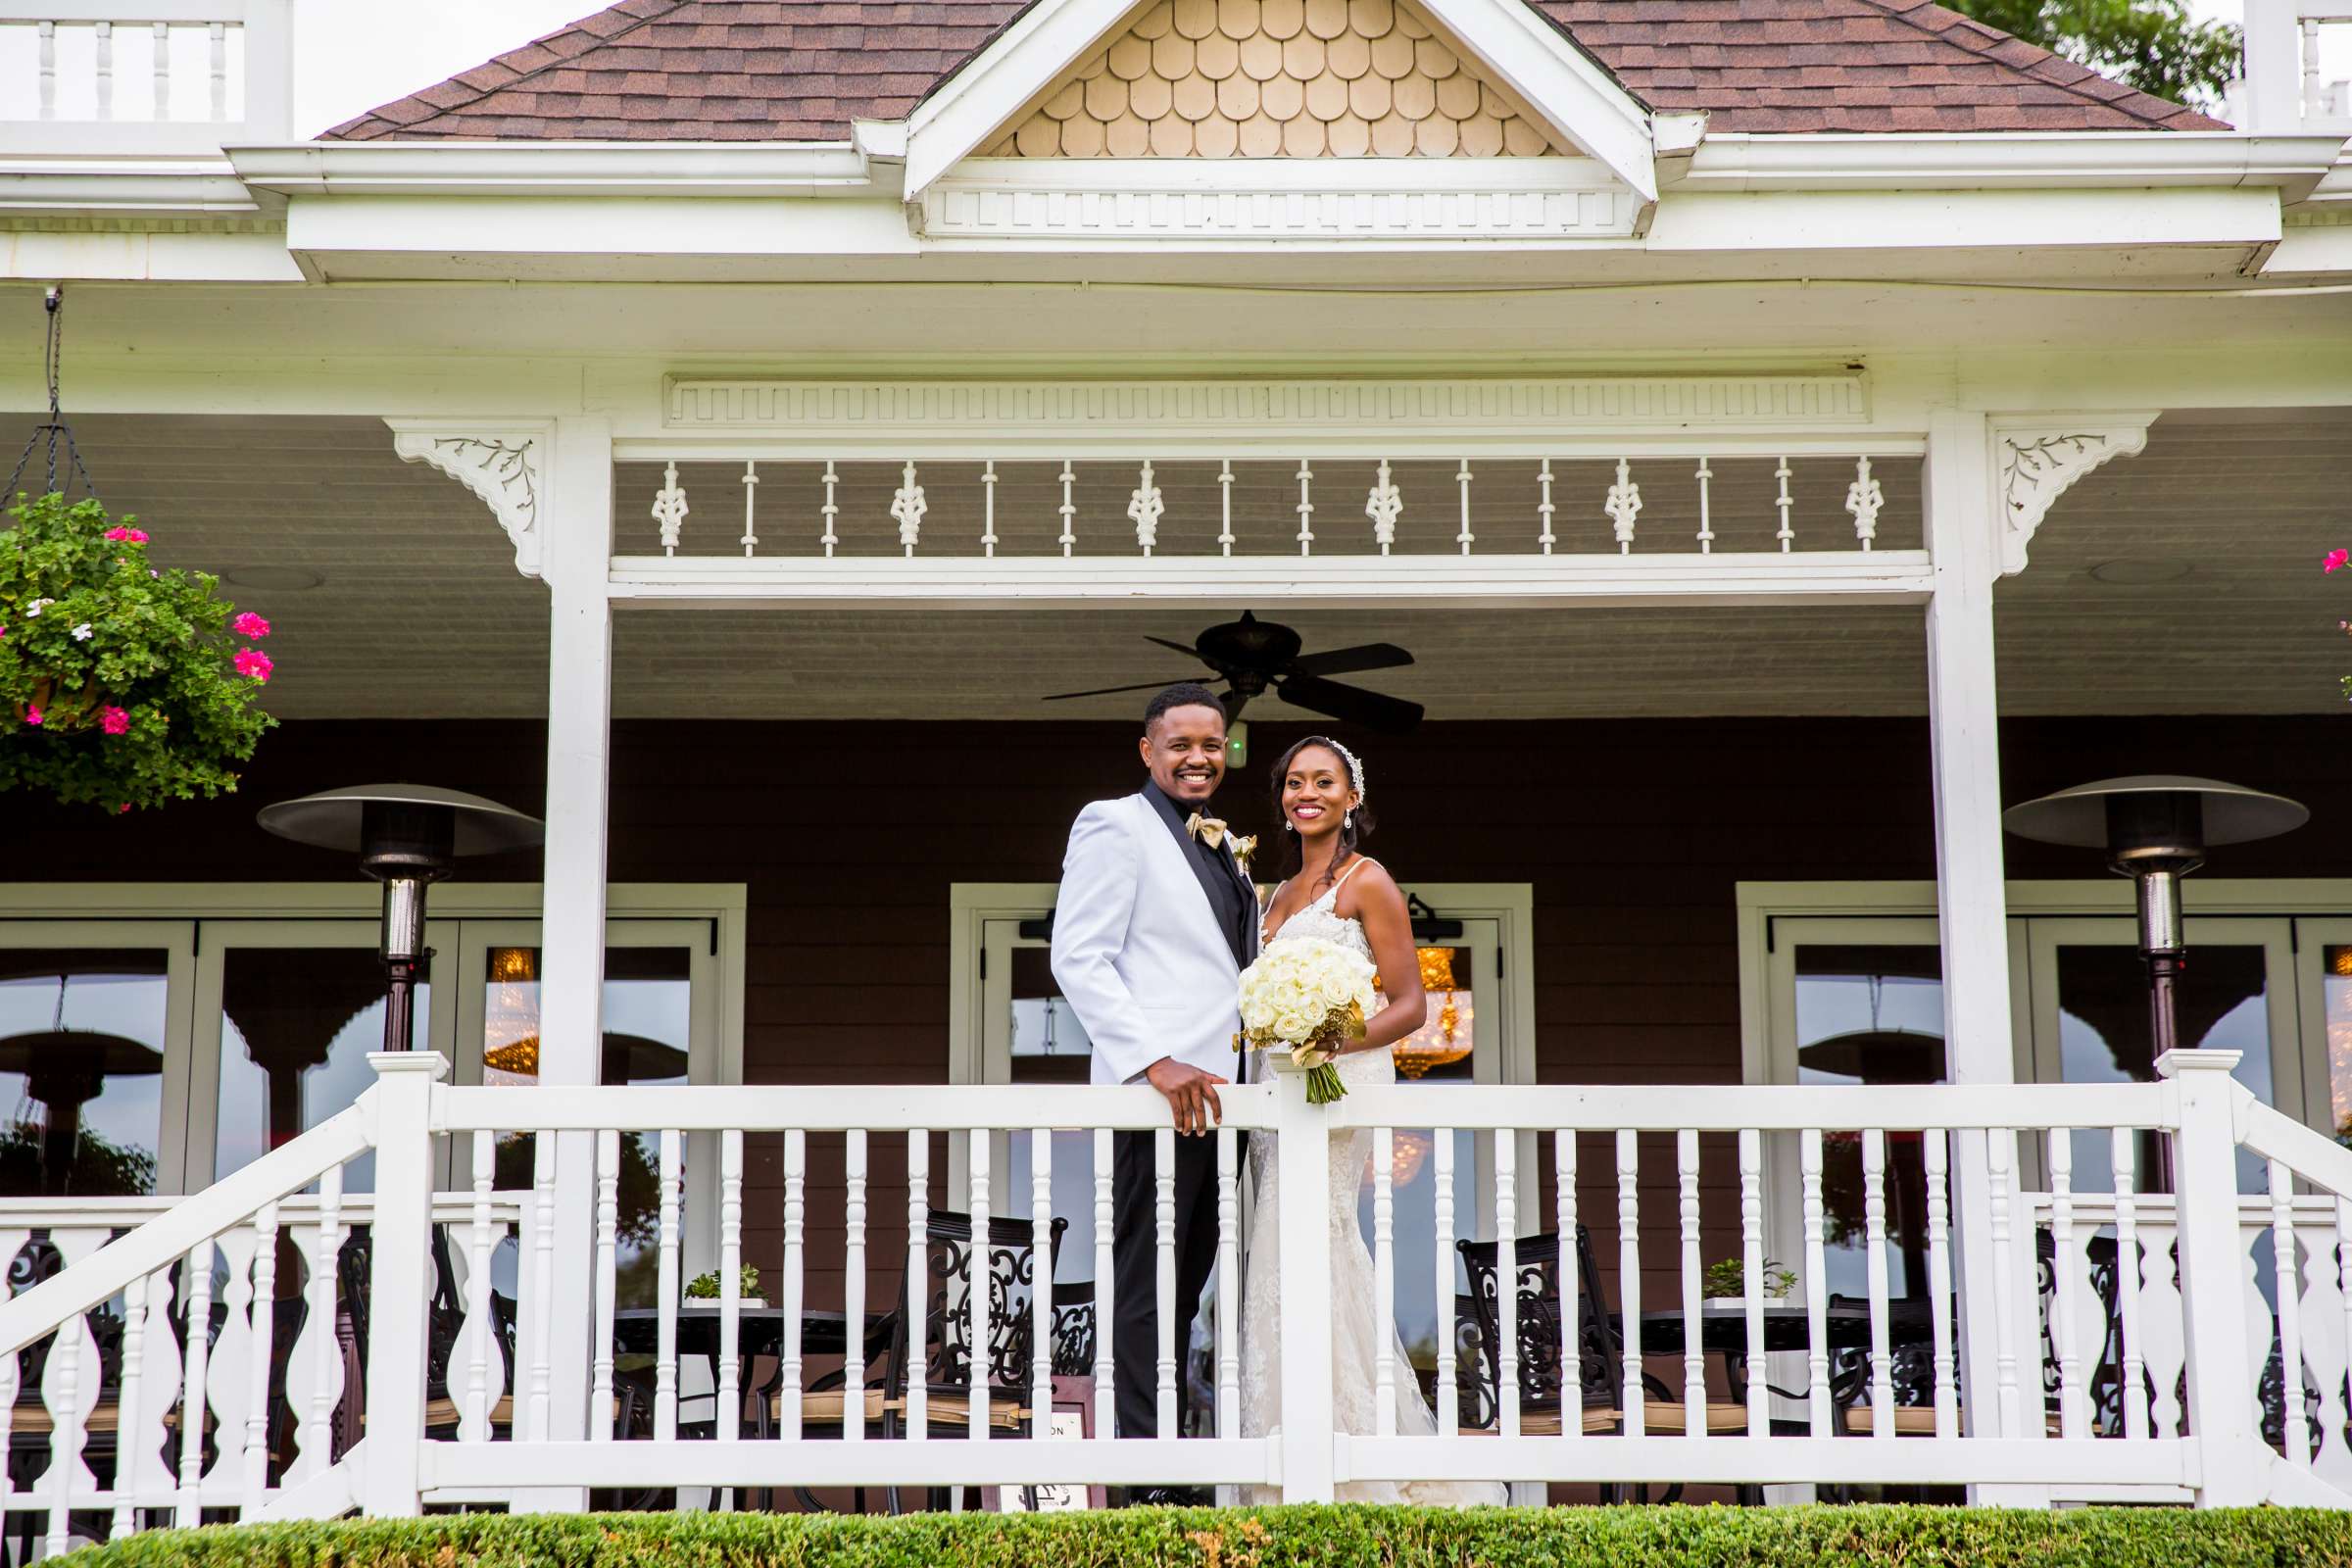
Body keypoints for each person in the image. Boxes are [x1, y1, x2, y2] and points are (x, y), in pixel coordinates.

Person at [1239, 735, 1504, 1506]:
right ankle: (1288, 1449)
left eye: (1324, 781)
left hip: (1334, 1082)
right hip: (1275, 1090)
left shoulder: (1368, 880)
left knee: (1315, 1245)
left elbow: (1411, 1004)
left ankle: (1349, 1454)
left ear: (1352, 797)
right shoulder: (1277, 892)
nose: (1306, 793)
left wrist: (1333, 1039)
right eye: (1294, 782)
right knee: (1275, 1256)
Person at [1050, 682, 1257, 1501]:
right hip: (1156, 1101)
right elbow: (1078, 956)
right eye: (1180, 744)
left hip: (1224, 1105)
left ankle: (1171, 1455)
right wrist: (1152, 1061)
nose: (1198, 757)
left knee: (1188, 1283)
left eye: (1212, 744)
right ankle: (1142, 1475)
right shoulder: (1114, 823)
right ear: (1148, 751)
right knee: (1143, 1288)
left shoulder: (1224, 848)